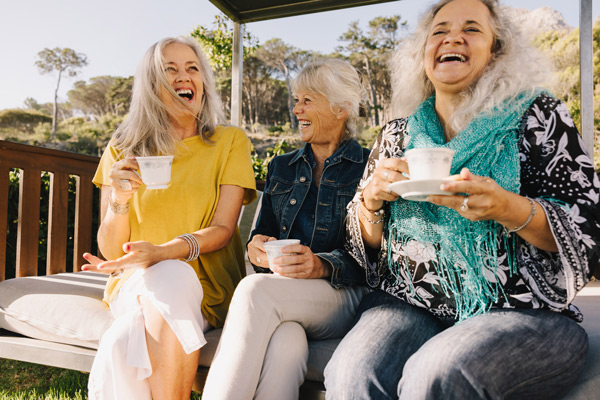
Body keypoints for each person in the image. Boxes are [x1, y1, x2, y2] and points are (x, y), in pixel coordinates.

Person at [324, 0, 600, 399]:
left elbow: (588, 227)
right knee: (351, 373)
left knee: (435, 371)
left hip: (524, 311)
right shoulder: (396, 135)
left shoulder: (538, 116)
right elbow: (361, 250)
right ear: (423, 53)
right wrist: (370, 202)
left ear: (496, 52)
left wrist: (508, 208)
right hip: (411, 302)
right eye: (439, 31)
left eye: (471, 29)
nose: (452, 37)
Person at [81, 36, 256, 399]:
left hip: (209, 287)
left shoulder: (228, 142)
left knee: (123, 337)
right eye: (170, 70)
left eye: (192, 68)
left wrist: (162, 253)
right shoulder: (122, 149)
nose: (184, 77)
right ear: (151, 84)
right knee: (169, 281)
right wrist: (120, 199)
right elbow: (113, 253)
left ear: (203, 83)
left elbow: (224, 230)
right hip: (137, 284)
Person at [202, 58, 370, 400]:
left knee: (254, 291)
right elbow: (259, 236)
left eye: (308, 100)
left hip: (344, 295)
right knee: (286, 344)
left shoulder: (370, 167)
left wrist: (321, 265)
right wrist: (256, 248)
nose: (297, 109)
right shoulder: (281, 166)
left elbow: (375, 256)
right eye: (296, 99)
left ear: (342, 108)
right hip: (288, 296)